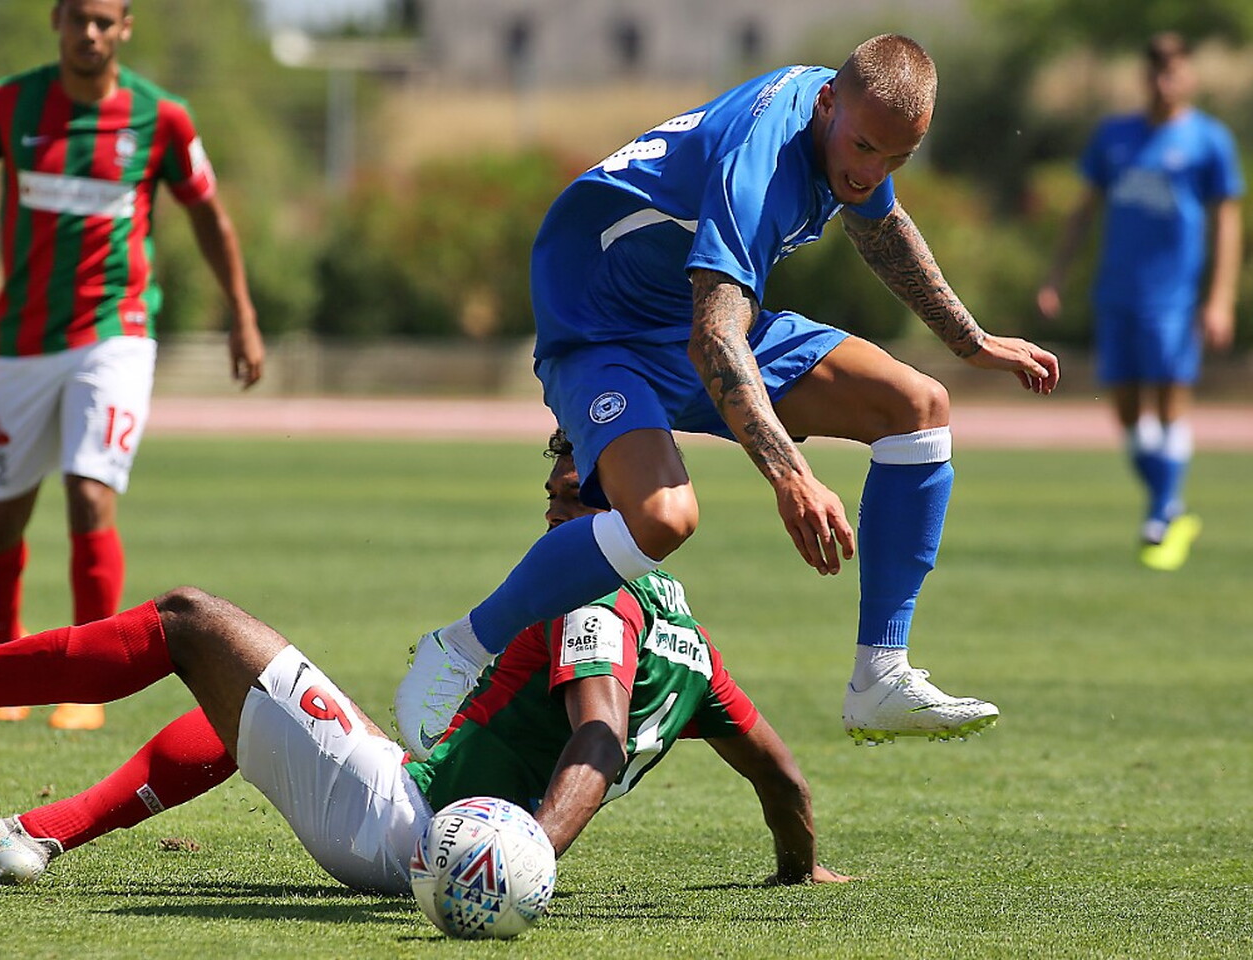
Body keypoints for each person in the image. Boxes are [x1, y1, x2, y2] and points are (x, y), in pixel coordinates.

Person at [396, 34, 1060, 758]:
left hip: (687, 313)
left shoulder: (851, 117)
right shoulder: (761, 167)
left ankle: (881, 675)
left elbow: (879, 227)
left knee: (918, 407)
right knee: (663, 518)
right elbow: (715, 340)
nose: (872, 172)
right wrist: (792, 478)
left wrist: (971, 341)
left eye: (896, 159)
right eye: (866, 149)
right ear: (828, 103)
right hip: (601, 324)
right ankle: (459, 649)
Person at [0, 430, 848, 892]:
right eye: (550, 498)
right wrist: (799, 866)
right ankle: (34, 836)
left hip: (411, 830)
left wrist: (528, 857)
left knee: (188, 620)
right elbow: (782, 782)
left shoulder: (592, 599)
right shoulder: (688, 639)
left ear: (625, 508)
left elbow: (599, 738)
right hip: (433, 827)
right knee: (251, 701)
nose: (553, 517)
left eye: (572, 502)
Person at [0, 0, 264, 729]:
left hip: (116, 333)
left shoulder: (161, 117)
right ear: (57, 20)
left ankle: (85, 681)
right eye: (79, 18)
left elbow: (209, 214)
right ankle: (7, 661)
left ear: (126, 27)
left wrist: (242, 313)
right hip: (22, 340)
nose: (90, 33)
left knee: (90, 494)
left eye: (105, 21)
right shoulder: (9, 105)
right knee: (0, 520)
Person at [1036, 32, 1242, 572]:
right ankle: (1169, 504)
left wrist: (1220, 298)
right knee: (1127, 411)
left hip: (1174, 299)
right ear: (1144, 75)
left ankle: (1161, 511)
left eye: (1174, 69)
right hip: (1116, 293)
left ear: (1189, 75)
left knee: (1170, 401)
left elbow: (1226, 221)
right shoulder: (1115, 137)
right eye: (1156, 69)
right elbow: (1084, 210)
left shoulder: (1208, 140)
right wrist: (1056, 275)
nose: (1164, 80)